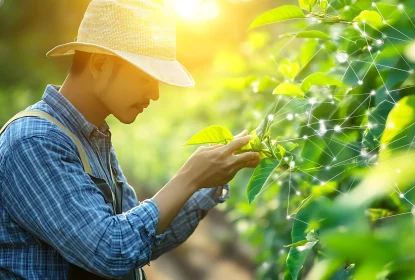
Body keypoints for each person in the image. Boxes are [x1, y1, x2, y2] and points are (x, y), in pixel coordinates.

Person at [0, 0, 260, 279]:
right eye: (146, 76)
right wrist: (189, 178)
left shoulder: (90, 138)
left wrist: (212, 179)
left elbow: (143, 238)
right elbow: (113, 251)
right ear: (100, 64)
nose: (156, 93)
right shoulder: (33, 142)